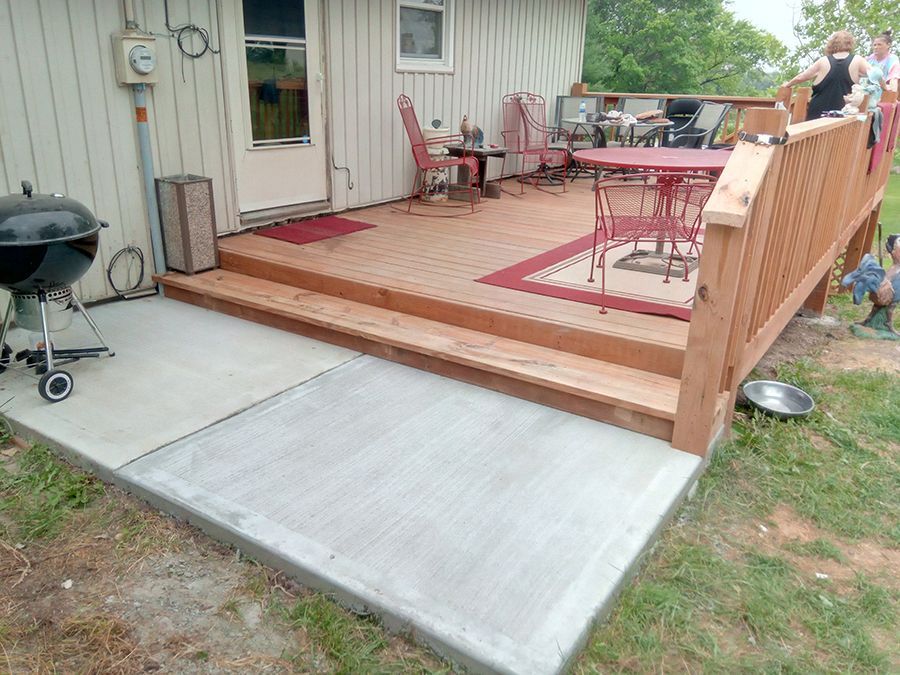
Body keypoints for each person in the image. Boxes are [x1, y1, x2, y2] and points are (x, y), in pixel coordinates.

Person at [782, 30, 870, 120]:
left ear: (831, 44)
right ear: (850, 43)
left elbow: (802, 77)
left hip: (818, 113)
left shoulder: (823, 61)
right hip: (841, 115)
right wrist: (884, 87)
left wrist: (788, 84)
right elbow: (876, 75)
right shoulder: (858, 60)